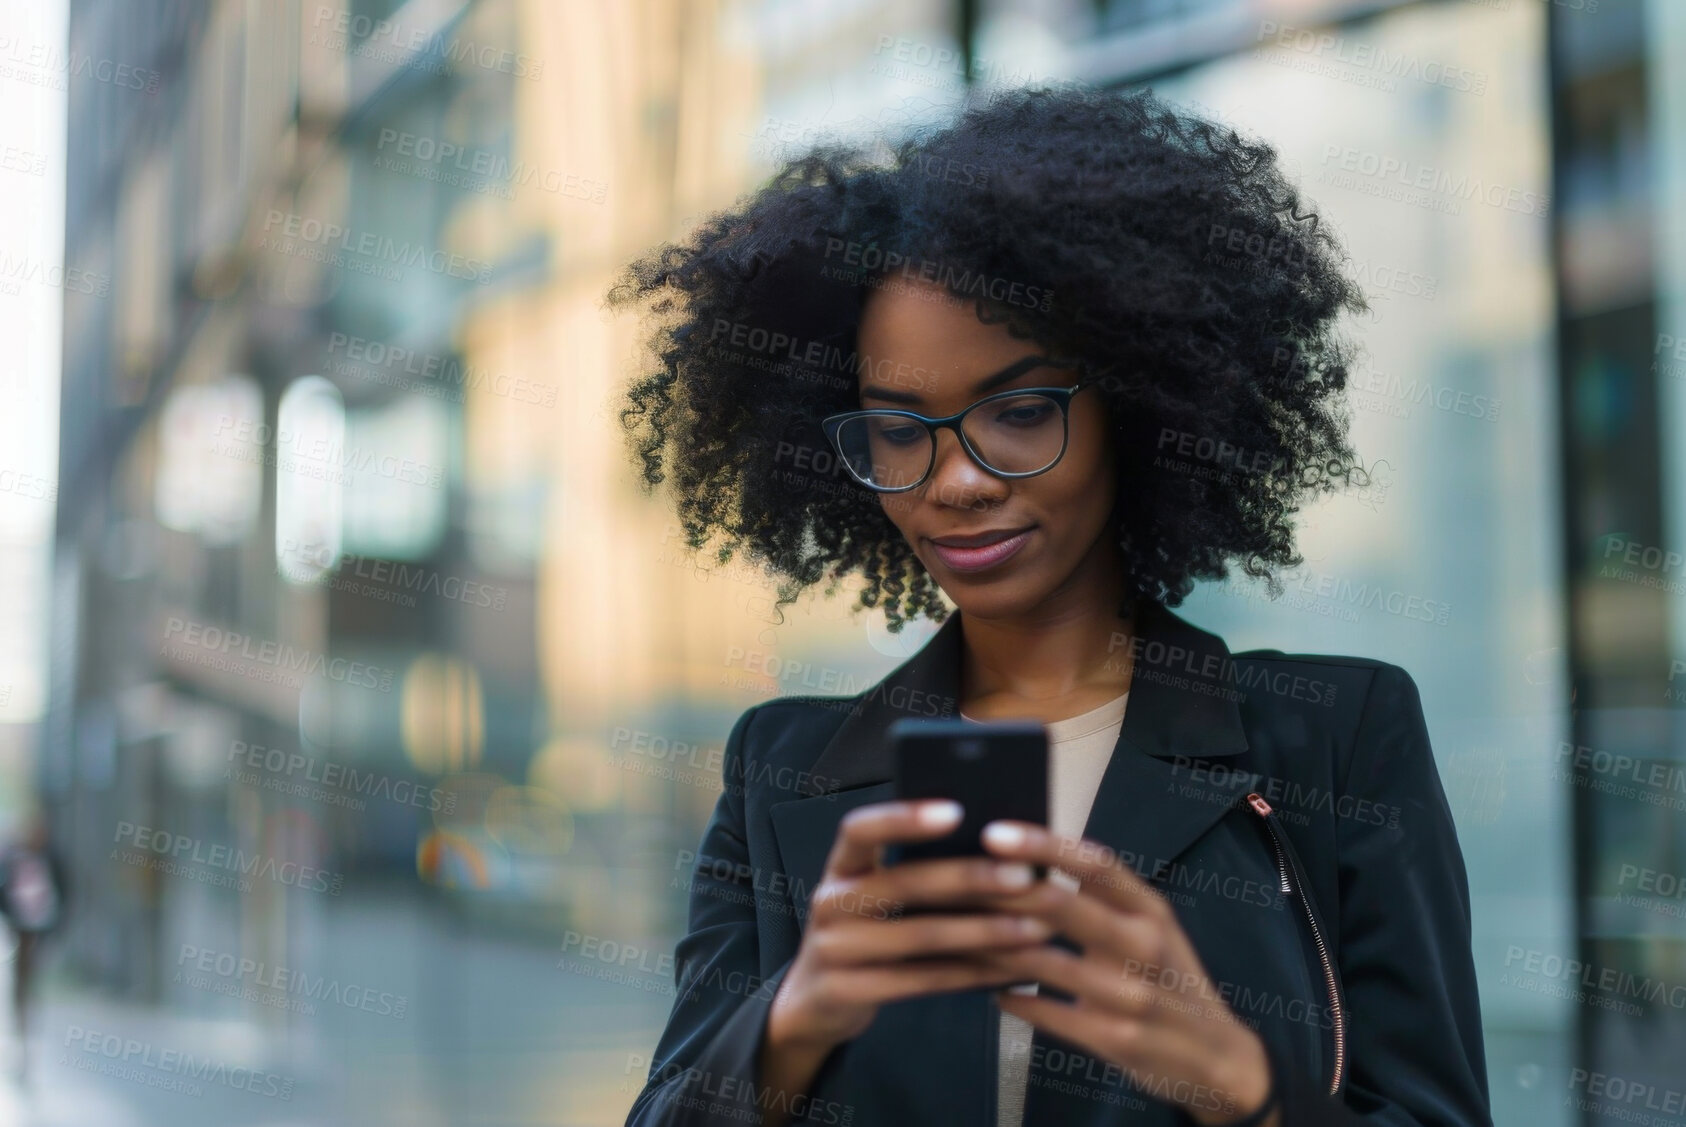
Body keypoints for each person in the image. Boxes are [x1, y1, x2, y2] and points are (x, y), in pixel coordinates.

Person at [607, 85, 1491, 1127]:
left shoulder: (1332, 741)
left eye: (1019, 411)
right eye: (899, 430)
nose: (957, 480)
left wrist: (1243, 1087)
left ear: (1135, 406)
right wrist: (795, 1016)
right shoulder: (781, 769)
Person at [0, 816, 66, 1084]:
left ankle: (32, 1015)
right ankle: (21, 1021)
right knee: (20, 979)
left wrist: (55, 926)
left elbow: (66, 892)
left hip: (41, 929)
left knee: (34, 977)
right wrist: (8, 921)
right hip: (20, 929)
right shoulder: (13, 861)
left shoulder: (51, 859)